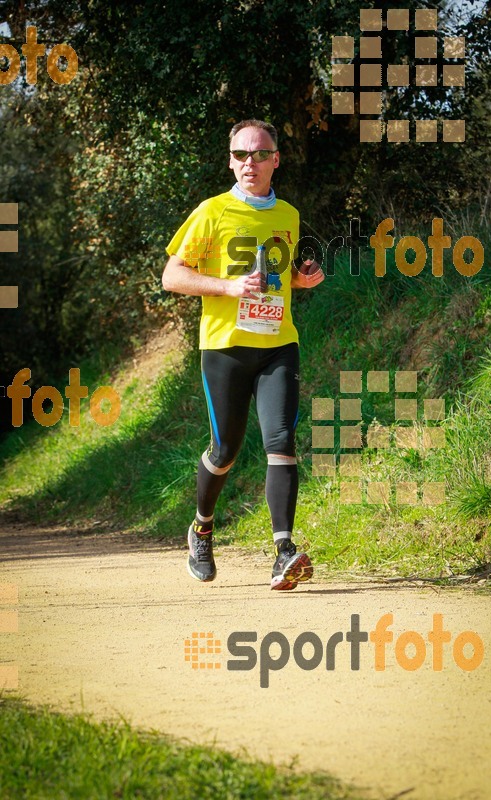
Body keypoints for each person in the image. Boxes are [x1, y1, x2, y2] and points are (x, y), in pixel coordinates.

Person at [162, 119, 324, 590]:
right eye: (240, 155)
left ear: (276, 159)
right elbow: (173, 276)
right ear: (230, 160)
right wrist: (230, 286)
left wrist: (300, 278)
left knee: (281, 441)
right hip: (225, 346)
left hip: (278, 344)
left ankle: (284, 552)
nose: (248, 163)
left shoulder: (288, 215)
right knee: (226, 450)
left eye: (258, 154)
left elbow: (278, 273)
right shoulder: (211, 212)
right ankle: (202, 527)